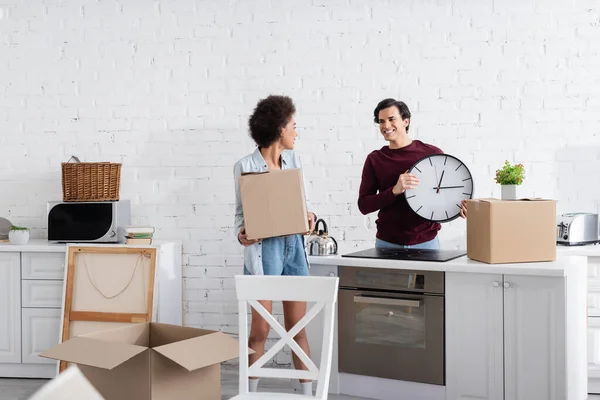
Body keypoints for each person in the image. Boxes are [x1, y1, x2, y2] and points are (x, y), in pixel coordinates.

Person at [233, 95, 317, 395]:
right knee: (261, 330)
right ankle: (250, 394)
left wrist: (309, 217)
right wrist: (242, 234)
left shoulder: (294, 161)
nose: (297, 132)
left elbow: (301, 206)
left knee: (297, 329)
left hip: (294, 247)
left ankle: (307, 395)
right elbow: (240, 217)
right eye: (294, 125)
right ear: (280, 128)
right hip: (264, 251)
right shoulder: (245, 165)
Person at [358, 98, 467, 250]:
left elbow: (446, 191)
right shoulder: (375, 159)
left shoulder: (431, 153)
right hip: (387, 243)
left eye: (391, 119)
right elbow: (364, 205)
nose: (386, 126)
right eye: (381, 121)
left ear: (406, 121)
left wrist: (458, 207)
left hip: (427, 243)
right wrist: (394, 191)